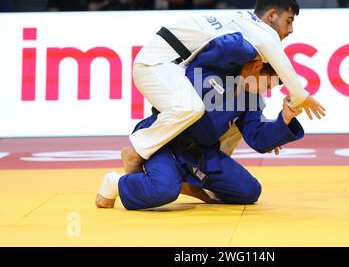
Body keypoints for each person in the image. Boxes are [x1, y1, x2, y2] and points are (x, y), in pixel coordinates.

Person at [123, 0, 326, 174]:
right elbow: (276, 55)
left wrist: (277, 130)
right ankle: (137, 150)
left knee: (231, 114)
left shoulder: (243, 24)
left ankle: (205, 174)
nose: (290, 30)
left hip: (173, 63)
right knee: (190, 109)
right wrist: (301, 95)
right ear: (272, 15)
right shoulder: (260, 33)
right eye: (288, 21)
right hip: (158, 62)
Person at [96, 34, 305, 209]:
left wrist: (284, 120)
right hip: (165, 141)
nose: (265, 92)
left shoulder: (250, 99)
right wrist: (255, 35)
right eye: (267, 85)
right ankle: (115, 183)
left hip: (200, 153)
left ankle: (184, 180)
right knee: (164, 191)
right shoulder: (210, 68)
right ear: (257, 65)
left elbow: (258, 138)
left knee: (249, 191)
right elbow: (224, 43)